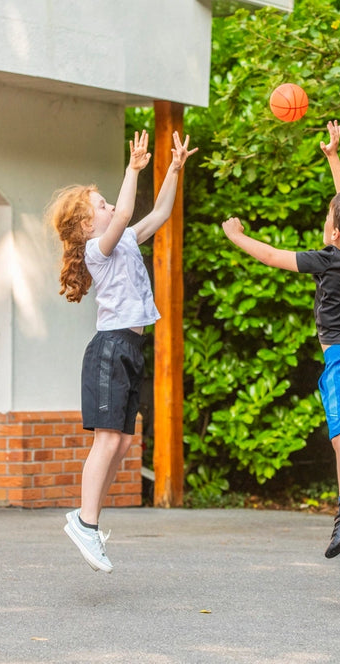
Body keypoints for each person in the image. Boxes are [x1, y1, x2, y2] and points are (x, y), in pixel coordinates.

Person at [222, 120, 340, 571]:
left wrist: (237, 237)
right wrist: (333, 157)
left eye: (328, 220)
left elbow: (274, 257)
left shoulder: (329, 260)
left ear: (335, 235)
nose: (328, 220)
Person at [47, 129, 197, 573]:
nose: (110, 208)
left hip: (130, 347)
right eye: (101, 206)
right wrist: (132, 170)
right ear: (86, 226)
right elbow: (128, 208)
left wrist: (173, 168)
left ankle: (88, 519)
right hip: (110, 349)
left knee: (126, 439)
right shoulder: (98, 247)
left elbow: (161, 212)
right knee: (108, 438)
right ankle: (85, 522)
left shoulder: (125, 238)